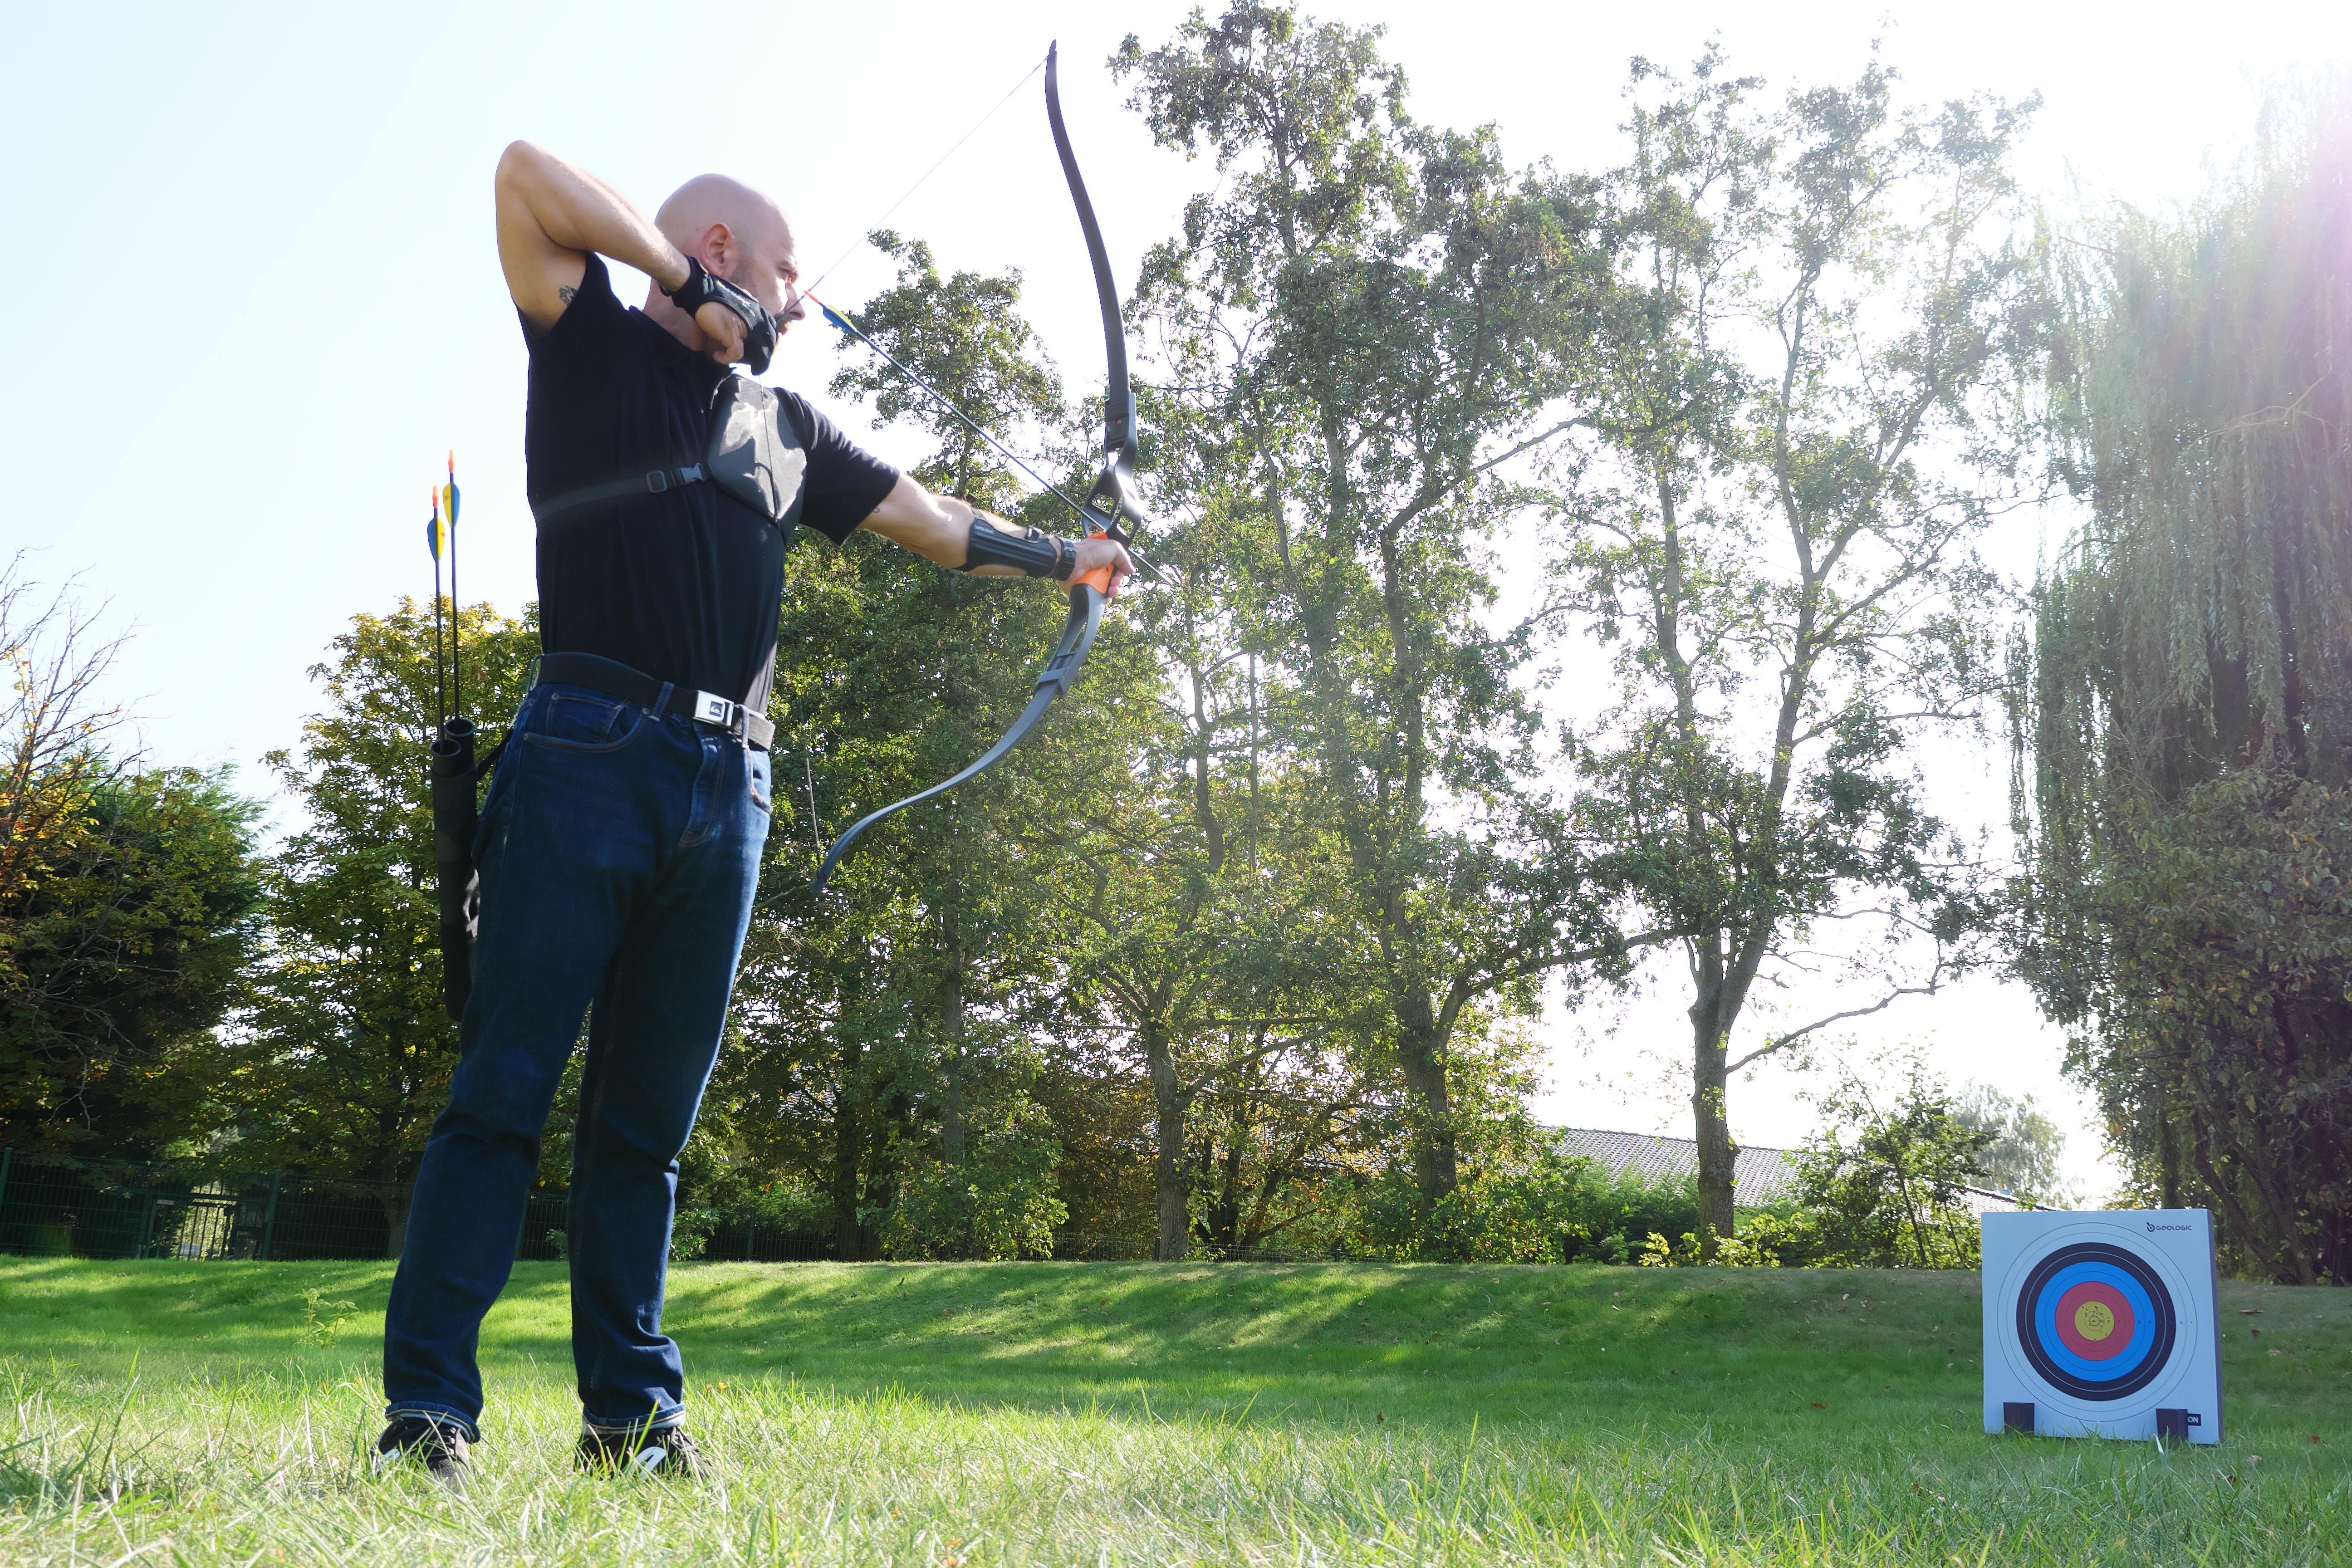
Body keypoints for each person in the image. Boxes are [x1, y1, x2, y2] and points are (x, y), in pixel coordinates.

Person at [372, 142, 1132, 1490]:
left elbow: (936, 520)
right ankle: (430, 1420)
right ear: (722, 250)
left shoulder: (785, 429)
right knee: (501, 1098)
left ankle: (631, 1427)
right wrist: (682, 283)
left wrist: (1063, 559)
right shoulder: (590, 345)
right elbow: (520, 175)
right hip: (583, 752)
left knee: (646, 1135)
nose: (801, 295)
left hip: (730, 790)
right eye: (787, 268)